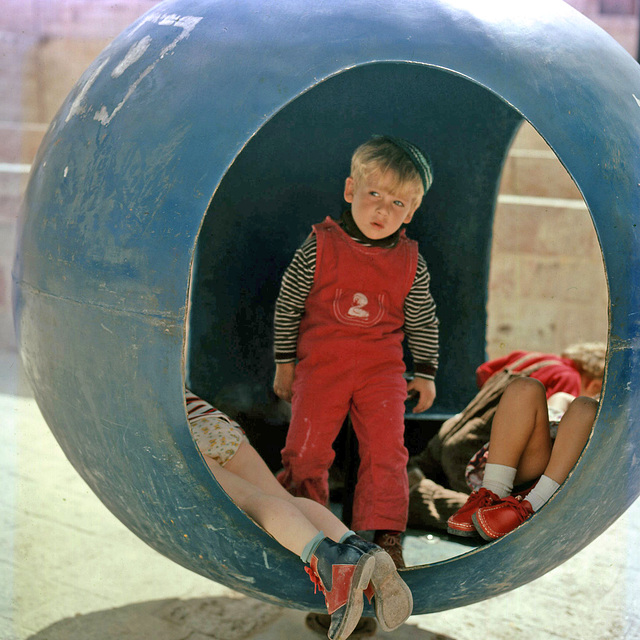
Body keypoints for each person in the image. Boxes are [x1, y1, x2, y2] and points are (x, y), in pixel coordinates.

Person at [272, 135, 440, 567]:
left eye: (399, 203)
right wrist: (284, 365)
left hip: (380, 372)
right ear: (351, 191)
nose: (383, 209)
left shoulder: (409, 261)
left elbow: (422, 318)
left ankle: (384, 537)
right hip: (321, 368)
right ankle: (304, 529)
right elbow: (288, 304)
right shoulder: (320, 246)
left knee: (387, 452)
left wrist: (425, 373)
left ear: (413, 210)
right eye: (374, 195)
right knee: (306, 451)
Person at [185, 389, 413, 640]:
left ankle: (336, 565)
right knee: (284, 497)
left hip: (185, 436)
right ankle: (361, 550)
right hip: (213, 423)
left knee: (252, 501)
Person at [407, 342, 605, 532]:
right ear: (595, 384)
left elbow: (483, 373)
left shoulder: (531, 358)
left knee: (417, 468)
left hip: (455, 431)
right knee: (488, 513)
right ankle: (416, 496)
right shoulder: (568, 378)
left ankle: (405, 482)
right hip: (475, 448)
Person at [446, 376, 598, 540]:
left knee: (587, 407)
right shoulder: (562, 401)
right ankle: (492, 495)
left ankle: (533, 507)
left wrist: (595, 401)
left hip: (558, 482)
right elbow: (562, 397)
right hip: (526, 469)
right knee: (525, 386)